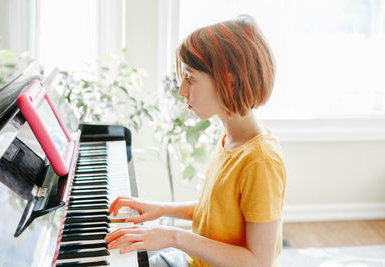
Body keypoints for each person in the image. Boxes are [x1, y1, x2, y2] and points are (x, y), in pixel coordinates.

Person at [105, 14, 286, 267]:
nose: (181, 90)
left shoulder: (261, 160)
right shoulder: (231, 139)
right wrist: (161, 208)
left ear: (229, 84)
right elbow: (218, 212)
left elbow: (259, 261)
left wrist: (173, 236)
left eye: (191, 78)